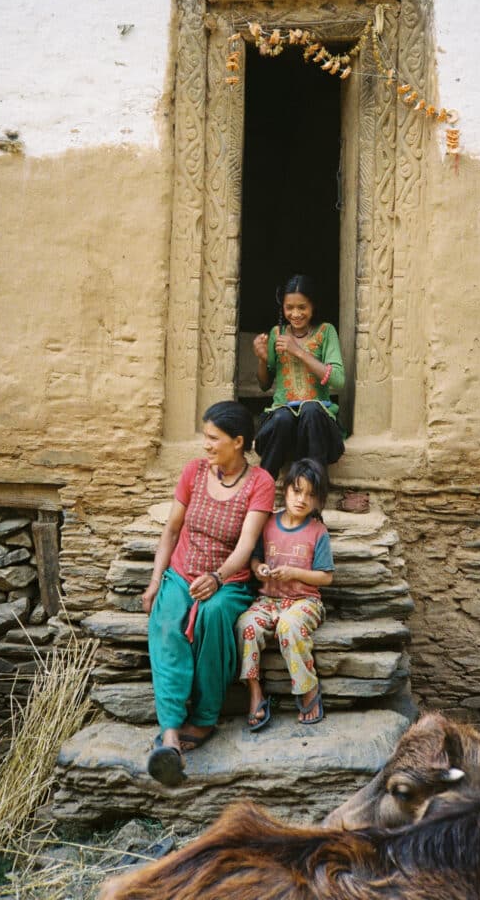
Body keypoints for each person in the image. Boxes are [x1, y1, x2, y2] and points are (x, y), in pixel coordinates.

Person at [143, 401, 275, 786]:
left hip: (228, 580)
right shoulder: (193, 472)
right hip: (182, 572)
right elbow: (171, 531)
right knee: (166, 622)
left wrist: (217, 578)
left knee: (215, 617)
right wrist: (156, 581)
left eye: (213, 438)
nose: (206, 445)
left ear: (238, 442)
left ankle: (203, 718)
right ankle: (169, 733)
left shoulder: (260, 482)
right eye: (205, 437)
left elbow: (246, 544)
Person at [236, 458, 333, 730]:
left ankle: (307, 688)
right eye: (297, 490)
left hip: (305, 602)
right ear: (286, 489)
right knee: (246, 625)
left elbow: (326, 577)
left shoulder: (318, 532)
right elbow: (254, 560)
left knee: (289, 626)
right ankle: (255, 691)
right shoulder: (268, 523)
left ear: (318, 501)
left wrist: (295, 573)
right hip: (268, 600)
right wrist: (260, 569)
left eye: (311, 495)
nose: (302, 499)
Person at [253, 274, 345, 480]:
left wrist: (299, 352)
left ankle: (314, 491)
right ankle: (262, 489)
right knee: (283, 416)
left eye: (302, 307)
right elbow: (264, 384)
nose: (295, 314)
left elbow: (338, 380)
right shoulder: (276, 334)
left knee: (311, 409)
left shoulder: (326, 331)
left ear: (313, 306)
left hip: (317, 429)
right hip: (281, 427)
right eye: (289, 308)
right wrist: (262, 359)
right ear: (283, 307)